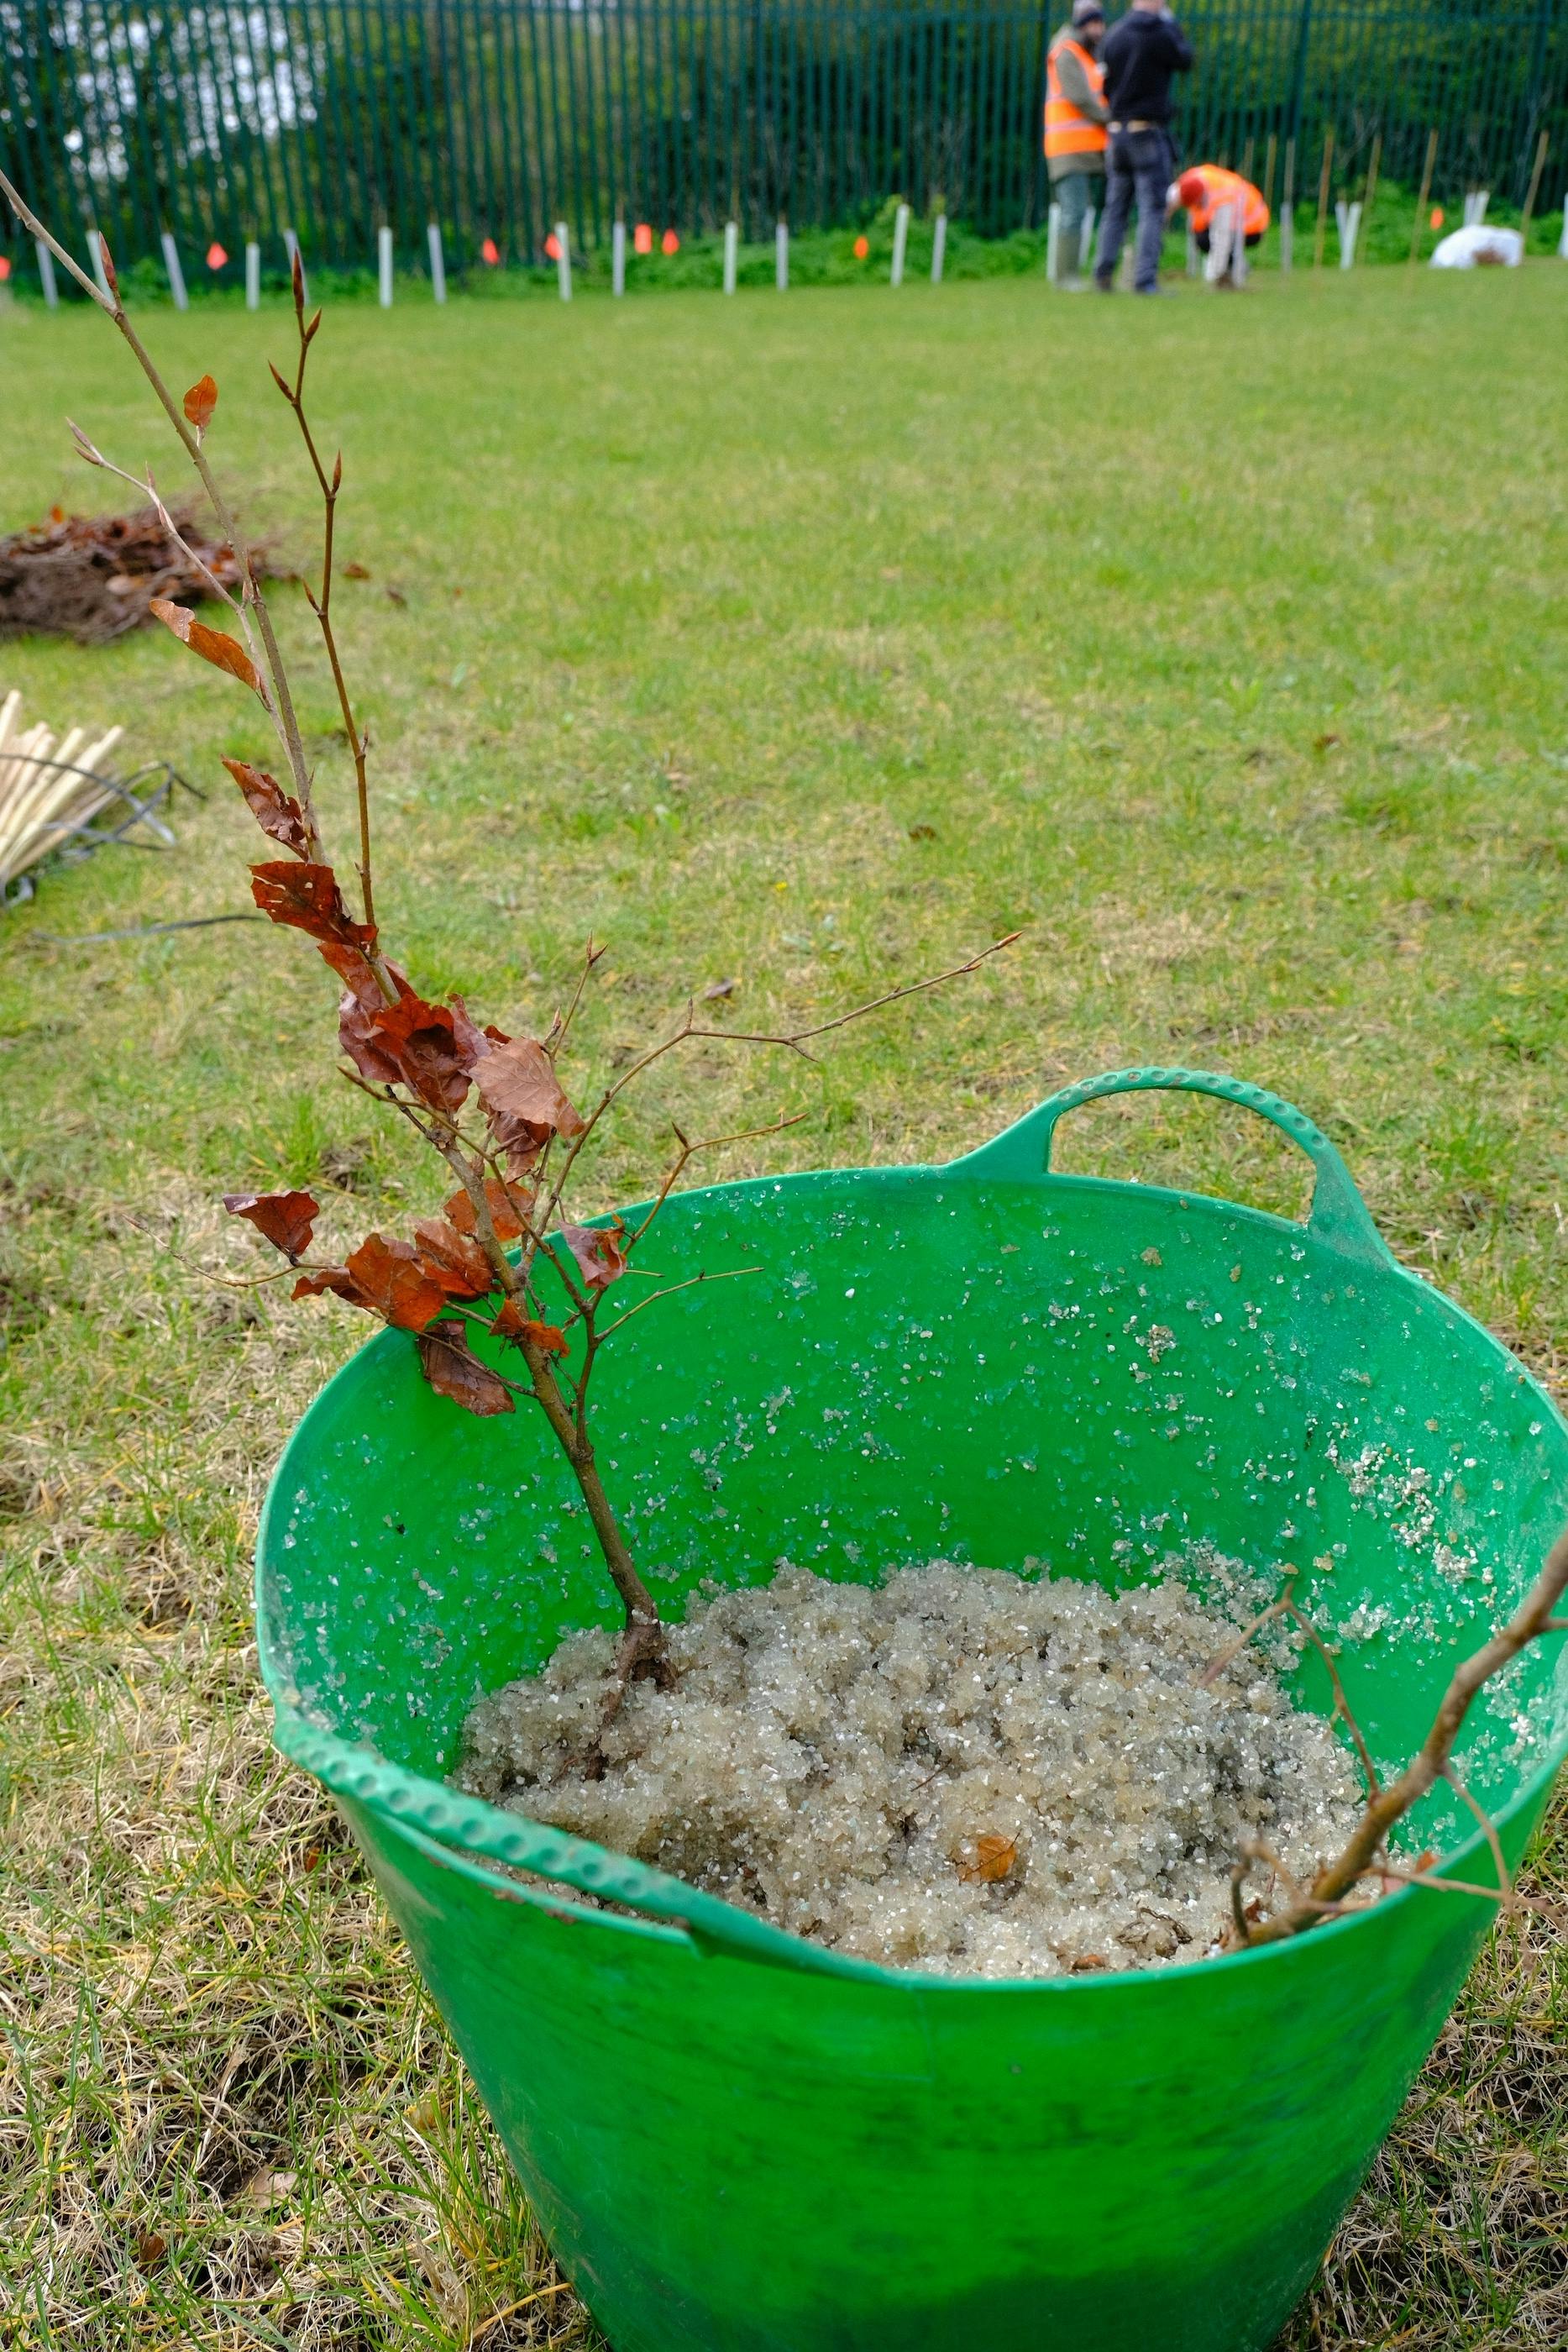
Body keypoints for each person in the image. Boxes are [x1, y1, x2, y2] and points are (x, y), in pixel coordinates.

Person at [1092, 0, 1193, 295]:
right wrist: (1172, 24)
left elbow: (1104, 83)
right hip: (1146, 131)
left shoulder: (1114, 34)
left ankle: (1103, 273)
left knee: (1116, 207)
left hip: (1116, 132)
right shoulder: (1160, 32)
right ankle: (1144, 278)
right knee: (1152, 207)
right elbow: (1185, 59)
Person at [1044, 2, 1109, 290]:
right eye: (1094, 23)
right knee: (1073, 212)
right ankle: (1065, 277)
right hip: (1069, 147)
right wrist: (1111, 117)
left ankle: (1082, 273)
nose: (1099, 29)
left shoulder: (1084, 54)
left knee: (1084, 211)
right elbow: (1080, 98)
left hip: (1089, 147)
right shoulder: (1066, 51)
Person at [1172, 165, 1269, 285]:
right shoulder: (1189, 180)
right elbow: (1171, 198)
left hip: (1252, 226)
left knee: (1207, 240)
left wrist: (1216, 274)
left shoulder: (1222, 198)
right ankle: (1234, 266)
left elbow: (1222, 237)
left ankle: (1234, 268)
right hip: (1240, 220)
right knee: (1202, 238)